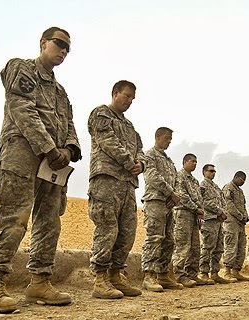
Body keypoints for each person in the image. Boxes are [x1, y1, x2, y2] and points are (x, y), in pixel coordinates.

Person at [0, 27, 81, 313]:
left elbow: (69, 124)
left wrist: (69, 150)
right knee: (13, 214)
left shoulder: (60, 91)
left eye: (67, 48)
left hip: (53, 163)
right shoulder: (21, 68)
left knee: (49, 220)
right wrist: (49, 147)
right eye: (59, 44)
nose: (63, 50)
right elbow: (21, 107)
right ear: (43, 42)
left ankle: (39, 281)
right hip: (22, 152)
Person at [87, 80, 144, 299]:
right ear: (115, 92)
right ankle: (100, 279)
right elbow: (107, 141)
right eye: (126, 96)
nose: (129, 101)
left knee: (127, 230)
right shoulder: (101, 114)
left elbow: (141, 151)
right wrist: (130, 162)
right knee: (107, 227)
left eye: (132, 98)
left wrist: (142, 164)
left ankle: (116, 275)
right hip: (107, 180)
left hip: (128, 185)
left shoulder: (130, 128)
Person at [141, 127, 183, 292]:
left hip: (168, 204)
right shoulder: (150, 155)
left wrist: (174, 196)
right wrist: (170, 193)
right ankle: (149, 276)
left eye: (171, 139)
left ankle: (163, 275)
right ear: (158, 137)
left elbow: (175, 180)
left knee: (169, 240)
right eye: (167, 138)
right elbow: (152, 177)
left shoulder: (168, 160)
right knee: (154, 238)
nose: (169, 141)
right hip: (155, 202)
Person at [171, 155, 214, 287]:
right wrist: (196, 209)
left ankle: (192, 274)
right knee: (183, 245)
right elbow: (181, 196)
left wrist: (199, 211)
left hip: (194, 216)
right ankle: (179, 275)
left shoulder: (194, 181)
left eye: (196, 162)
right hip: (183, 213)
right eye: (192, 161)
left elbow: (199, 199)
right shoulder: (179, 176)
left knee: (195, 247)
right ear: (184, 162)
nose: (195, 164)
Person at [199, 164, 236, 284]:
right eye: (210, 171)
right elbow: (203, 202)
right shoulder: (202, 185)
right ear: (204, 172)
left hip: (219, 221)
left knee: (219, 248)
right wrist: (219, 211)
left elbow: (223, 202)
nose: (213, 173)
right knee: (208, 247)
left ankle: (214, 273)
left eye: (214, 171)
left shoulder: (216, 187)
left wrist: (223, 212)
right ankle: (204, 273)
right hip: (209, 220)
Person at [222, 171, 249, 281]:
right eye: (242, 179)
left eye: (244, 180)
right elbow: (229, 205)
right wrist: (240, 216)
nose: (243, 182)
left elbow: (243, 206)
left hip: (240, 223)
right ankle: (227, 272)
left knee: (241, 246)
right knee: (231, 245)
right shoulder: (228, 188)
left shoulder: (240, 191)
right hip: (231, 222)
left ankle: (236, 271)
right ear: (236, 177)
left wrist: (246, 216)